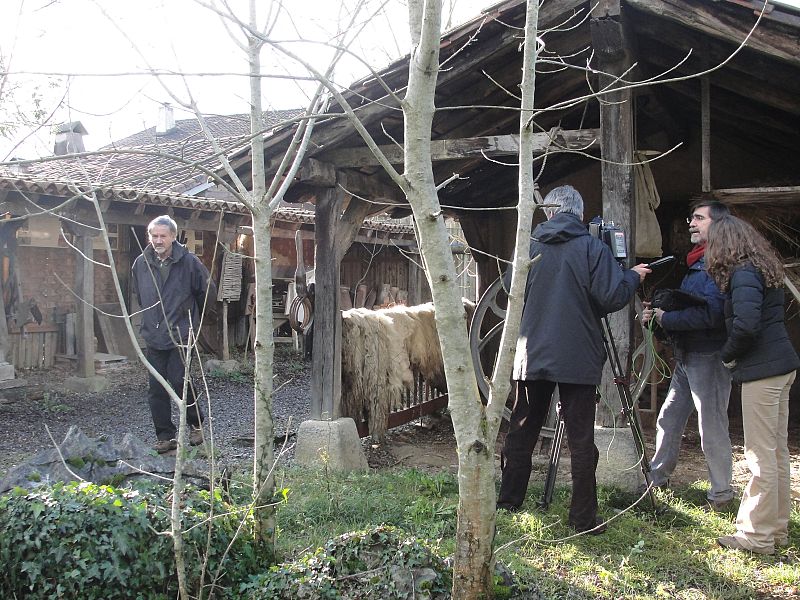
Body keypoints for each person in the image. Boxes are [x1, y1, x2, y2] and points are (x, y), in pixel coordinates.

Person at [497, 185, 651, 534]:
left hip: (531, 353)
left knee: (521, 430)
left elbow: (510, 289)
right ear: (579, 215)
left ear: (549, 212)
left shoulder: (530, 246)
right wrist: (631, 276)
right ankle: (582, 519)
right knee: (581, 439)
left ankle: (507, 502)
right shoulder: (591, 247)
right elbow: (611, 296)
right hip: (577, 357)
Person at [705, 215, 799, 555]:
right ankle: (776, 530)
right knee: (776, 453)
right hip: (781, 366)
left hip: (763, 370)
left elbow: (745, 326)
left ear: (724, 243)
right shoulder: (761, 267)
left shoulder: (743, 273)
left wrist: (728, 357)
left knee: (760, 455)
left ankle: (756, 536)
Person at [640, 200, 735, 510]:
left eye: (699, 218)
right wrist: (659, 317)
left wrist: (666, 319)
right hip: (688, 355)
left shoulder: (718, 263)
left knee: (712, 427)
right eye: (691, 217)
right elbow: (692, 306)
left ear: (717, 225)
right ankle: (656, 482)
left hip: (708, 355)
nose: (691, 223)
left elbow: (711, 316)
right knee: (669, 418)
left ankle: (720, 496)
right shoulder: (698, 261)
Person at [132, 215, 216, 453]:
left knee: (181, 381)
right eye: (154, 236)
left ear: (173, 237)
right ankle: (165, 436)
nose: (158, 240)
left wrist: (194, 322)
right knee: (156, 388)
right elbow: (140, 294)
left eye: (162, 236)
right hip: (154, 335)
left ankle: (196, 424)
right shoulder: (141, 263)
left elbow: (207, 292)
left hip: (181, 334)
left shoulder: (189, 262)